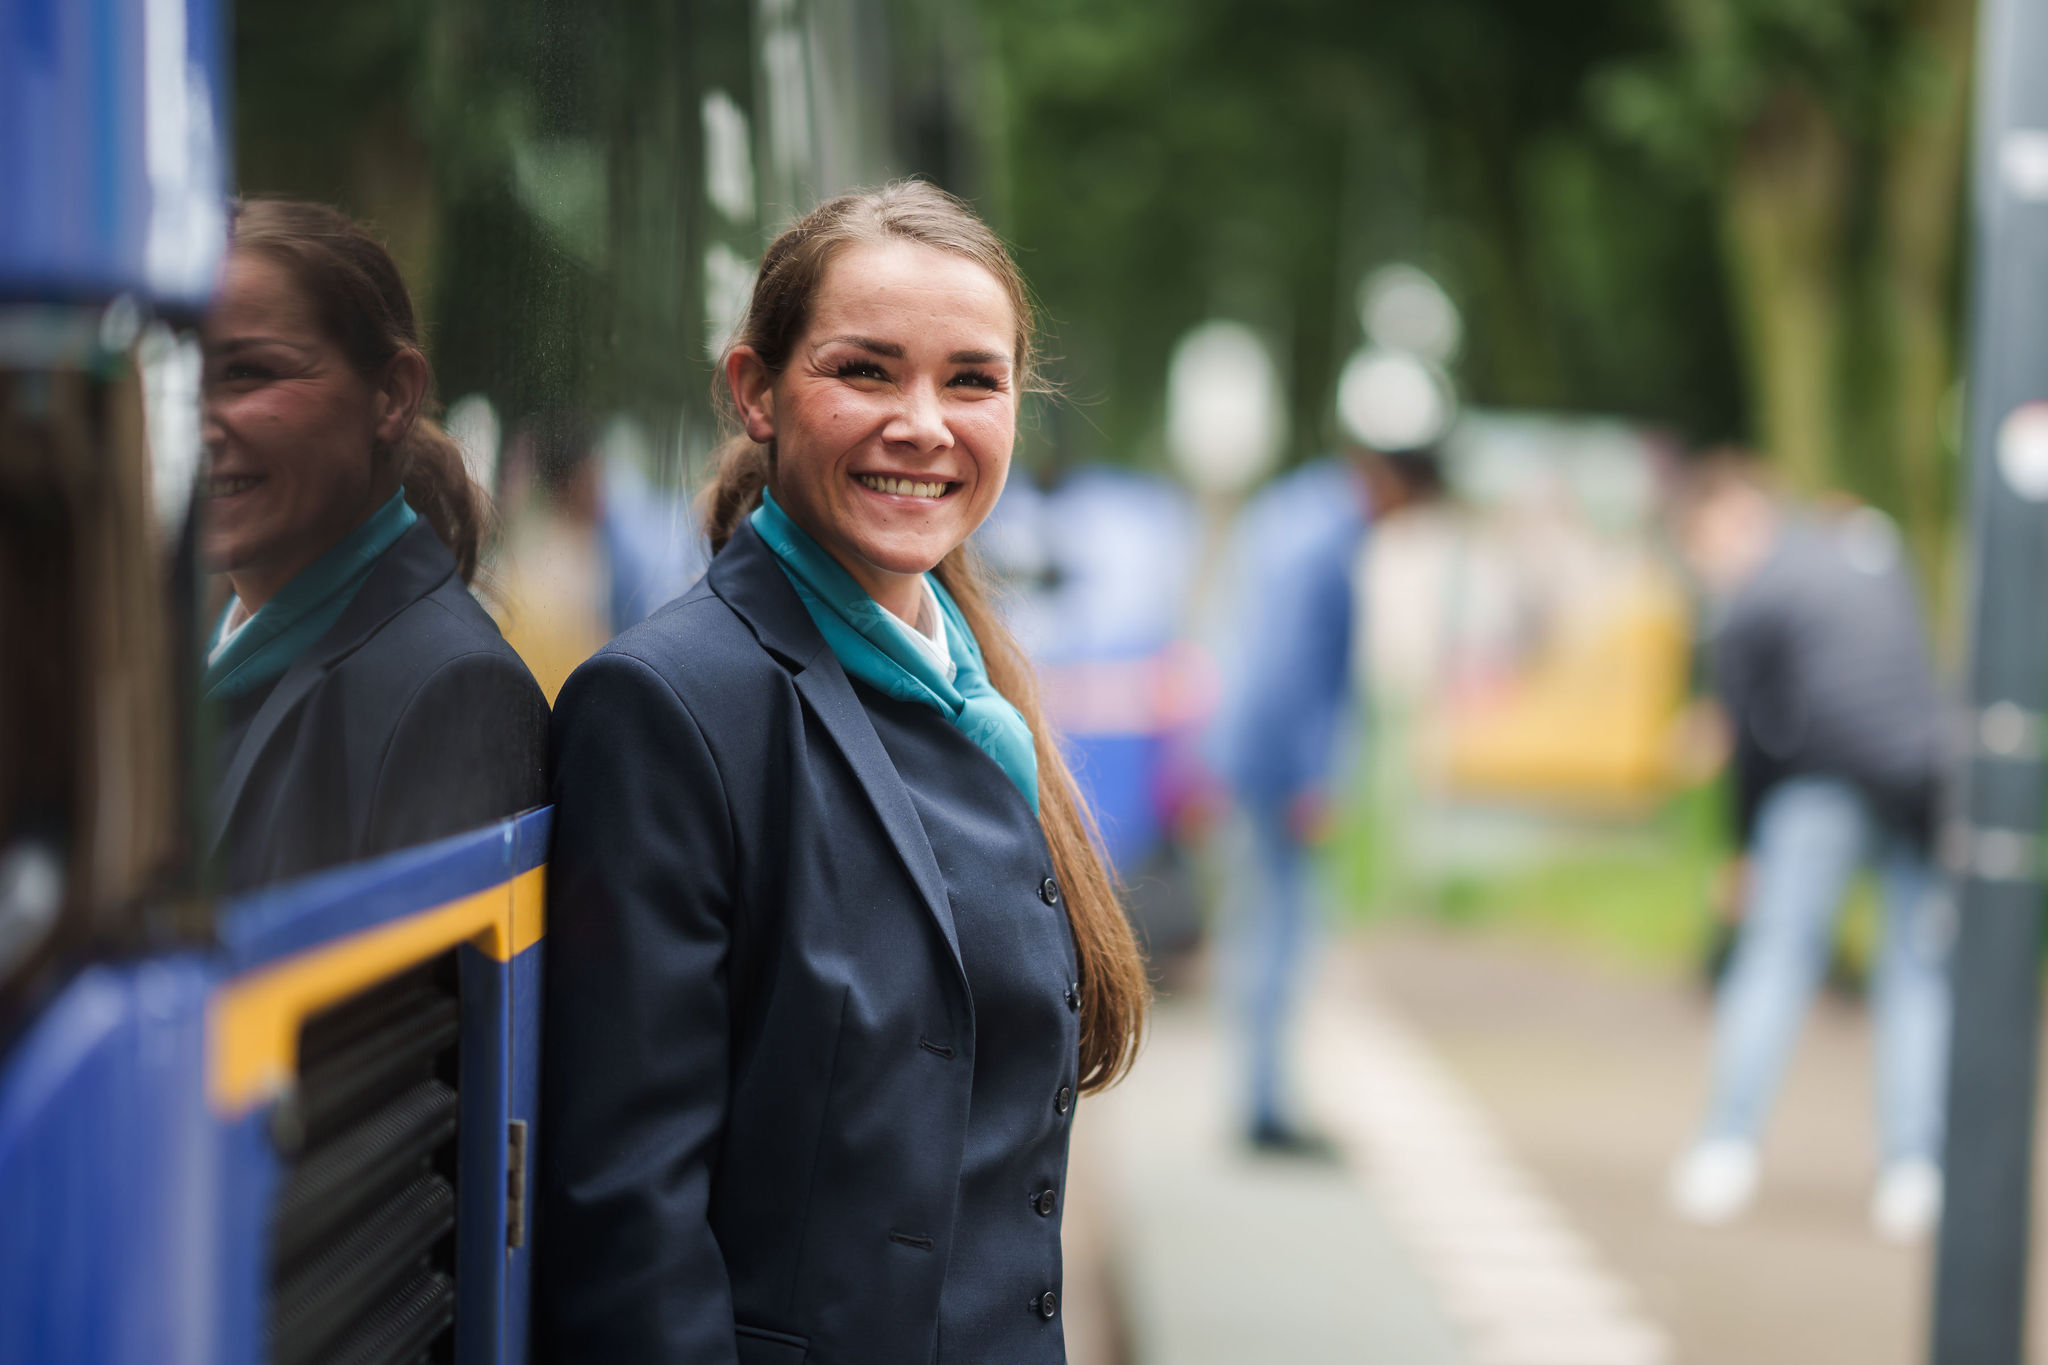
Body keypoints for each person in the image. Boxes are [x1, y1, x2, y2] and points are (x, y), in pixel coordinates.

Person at [537, 181, 1149, 1364]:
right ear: (755, 393)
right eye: (865, 371)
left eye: (971, 380)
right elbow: (627, 1223)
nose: (923, 422)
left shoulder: (978, 693)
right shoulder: (667, 705)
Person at [200, 199, 550, 893]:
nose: (198, 424)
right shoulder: (187, 665)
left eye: (247, 373)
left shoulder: (454, 692)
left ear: (392, 396)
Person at [1665, 453, 1949, 1240]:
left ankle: (1725, 1145)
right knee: (1917, 975)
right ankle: (1914, 1166)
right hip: (1923, 777)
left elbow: (1751, 740)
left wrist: (1742, 851)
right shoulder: (1866, 549)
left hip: (1818, 781)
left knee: (1778, 959)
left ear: (1726, 520)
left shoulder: (1755, 593)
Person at [1206, 379, 1447, 1155]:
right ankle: (1267, 1104)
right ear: (1395, 482)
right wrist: (1313, 777)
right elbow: (1292, 670)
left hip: (1251, 757)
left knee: (1262, 926)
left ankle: (1262, 1092)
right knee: (1282, 932)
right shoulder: (1328, 540)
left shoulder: (1293, 510)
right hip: (1283, 772)